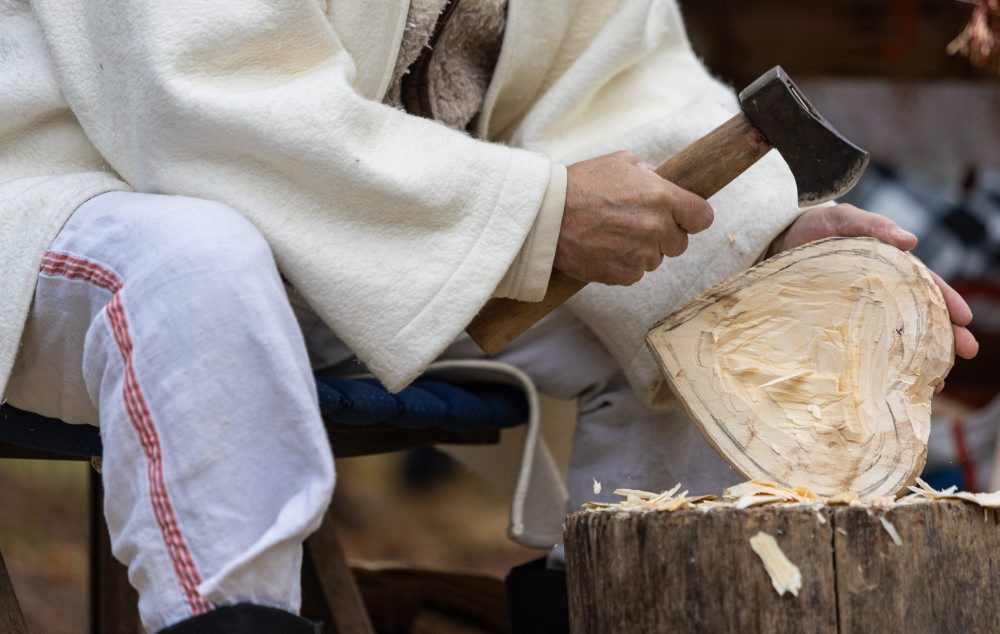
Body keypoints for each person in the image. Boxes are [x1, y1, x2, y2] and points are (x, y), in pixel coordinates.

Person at [0, 0, 977, 631]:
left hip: (368, 238)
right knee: (197, 258)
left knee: (709, 327)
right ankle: (237, 618)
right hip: (70, 205)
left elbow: (616, 88)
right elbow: (201, 106)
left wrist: (764, 237)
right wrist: (534, 215)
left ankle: (621, 609)